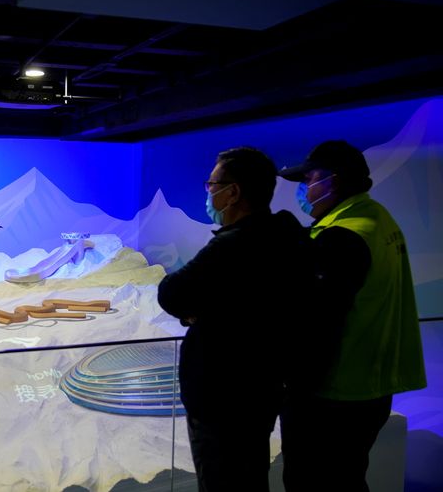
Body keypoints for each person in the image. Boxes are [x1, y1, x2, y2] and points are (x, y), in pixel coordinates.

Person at [157, 147, 312, 492]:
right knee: (251, 476)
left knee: (223, 481)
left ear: (234, 192)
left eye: (212, 184)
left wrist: (203, 310)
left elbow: (171, 293)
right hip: (263, 391)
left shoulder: (233, 245)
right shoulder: (288, 236)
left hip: (221, 399)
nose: (208, 192)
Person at [277, 140, 426, 492]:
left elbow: (319, 323)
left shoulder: (342, 238)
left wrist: (292, 384)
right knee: (347, 477)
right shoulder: (376, 219)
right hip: (371, 386)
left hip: (335, 391)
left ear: (333, 181)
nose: (302, 189)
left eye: (308, 179)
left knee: (312, 480)